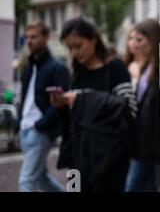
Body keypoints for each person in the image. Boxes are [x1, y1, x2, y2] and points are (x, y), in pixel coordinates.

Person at [51, 17, 137, 192]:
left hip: (109, 158)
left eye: (78, 45)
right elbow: (73, 120)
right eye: (69, 48)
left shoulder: (115, 68)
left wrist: (81, 100)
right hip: (77, 157)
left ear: (93, 40)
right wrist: (62, 106)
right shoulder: (76, 73)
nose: (74, 52)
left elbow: (129, 109)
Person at [17, 22, 69, 192]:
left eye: (34, 37)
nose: (29, 41)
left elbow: (60, 102)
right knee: (40, 179)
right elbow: (25, 98)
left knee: (26, 180)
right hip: (25, 128)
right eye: (26, 38)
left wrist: (41, 124)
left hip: (38, 131)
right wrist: (19, 122)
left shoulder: (57, 67)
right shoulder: (28, 66)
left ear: (46, 38)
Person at [125, 19, 160, 192]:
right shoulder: (145, 67)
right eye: (131, 39)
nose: (133, 44)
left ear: (154, 39)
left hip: (158, 147)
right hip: (142, 144)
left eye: (139, 39)